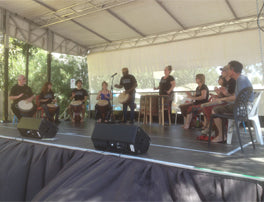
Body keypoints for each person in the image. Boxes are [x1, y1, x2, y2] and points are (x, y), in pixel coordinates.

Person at [211, 60, 254, 143]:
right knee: (220, 108)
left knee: (214, 110)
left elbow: (235, 97)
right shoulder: (242, 79)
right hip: (244, 107)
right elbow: (237, 96)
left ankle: (221, 136)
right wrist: (225, 94)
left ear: (232, 70)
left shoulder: (240, 80)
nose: (227, 71)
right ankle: (224, 133)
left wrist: (220, 99)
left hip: (242, 109)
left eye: (228, 69)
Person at [201, 65, 236, 134]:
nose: (221, 73)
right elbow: (226, 95)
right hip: (227, 101)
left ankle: (213, 128)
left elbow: (232, 96)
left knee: (209, 107)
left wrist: (222, 95)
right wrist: (219, 93)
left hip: (231, 104)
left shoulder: (233, 81)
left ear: (228, 72)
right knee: (204, 106)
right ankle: (212, 127)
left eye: (223, 71)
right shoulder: (228, 82)